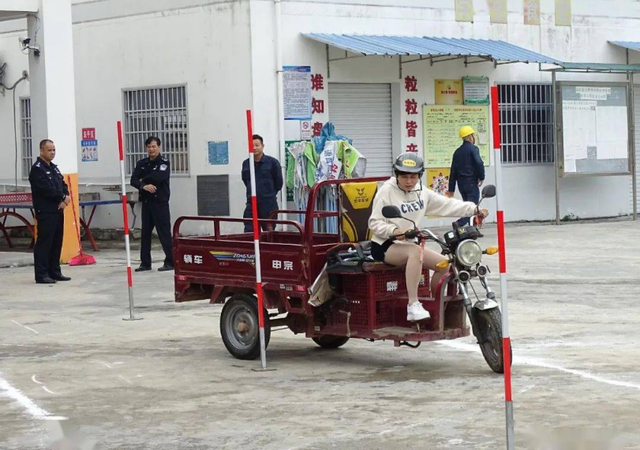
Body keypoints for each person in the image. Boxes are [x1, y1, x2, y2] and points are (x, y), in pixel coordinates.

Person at [369, 152, 488, 322]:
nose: (409, 181)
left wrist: (473, 209)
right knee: (416, 252)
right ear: (396, 175)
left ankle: (434, 305)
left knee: (445, 266)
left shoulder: (421, 192)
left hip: (410, 244)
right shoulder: (386, 191)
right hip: (385, 245)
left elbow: (446, 204)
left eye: (413, 176)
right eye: (404, 176)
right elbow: (374, 222)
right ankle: (413, 304)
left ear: (419, 176)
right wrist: (394, 231)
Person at [29, 139, 72, 284]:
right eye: (49, 150)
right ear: (41, 151)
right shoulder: (37, 169)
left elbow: (62, 184)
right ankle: (41, 274)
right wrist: (62, 197)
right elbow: (46, 189)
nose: (52, 153)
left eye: (54, 150)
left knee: (56, 241)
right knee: (44, 242)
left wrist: (65, 197)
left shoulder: (54, 168)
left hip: (58, 210)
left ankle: (55, 271)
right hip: (46, 211)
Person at [130, 136, 174, 272]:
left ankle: (170, 261)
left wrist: (143, 179)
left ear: (159, 147)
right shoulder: (142, 163)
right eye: (149, 147)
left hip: (160, 203)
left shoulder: (164, 162)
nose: (151, 149)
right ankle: (145, 263)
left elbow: (159, 177)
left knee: (164, 233)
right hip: (147, 203)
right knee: (145, 234)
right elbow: (133, 180)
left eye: (154, 146)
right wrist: (143, 185)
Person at [241, 134, 283, 232]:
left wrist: (269, 194)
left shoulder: (272, 162)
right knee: (249, 231)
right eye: (252, 146)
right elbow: (245, 180)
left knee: (268, 231)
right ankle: (252, 247)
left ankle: (267, 247)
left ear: (262, 146)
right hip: (251, 202)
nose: (254, 148)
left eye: (257, 145)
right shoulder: (246, 163)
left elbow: (279, 182)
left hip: (268, 203)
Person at [446, 126, 486, 227]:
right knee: (472, 207)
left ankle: (472, 229)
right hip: (471, 183)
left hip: (461, 184)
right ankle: (459, 223)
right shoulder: (473, 149)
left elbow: (453, 171)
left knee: (467, 206)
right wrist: (482, 177)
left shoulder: (457, 152)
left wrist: (451, 189)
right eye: (474, 135)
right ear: (470, 136)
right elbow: (479, 162)